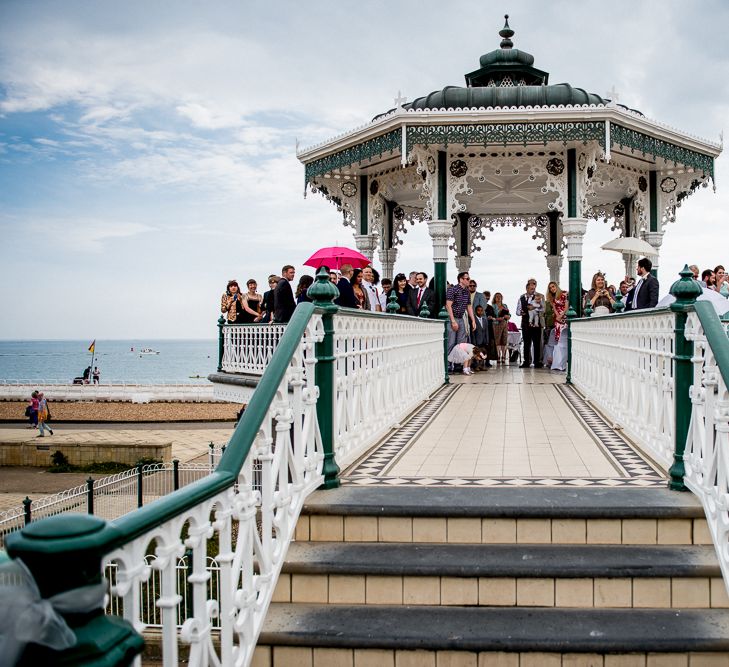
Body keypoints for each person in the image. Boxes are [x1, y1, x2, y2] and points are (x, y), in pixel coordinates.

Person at [446, 272, 476, 356]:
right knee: (451, 342)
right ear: (461, 279)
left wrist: (473, 320)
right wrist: (452, 321)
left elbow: (469, 306)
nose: (469, 281)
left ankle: (458, 364)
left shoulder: (467, 292)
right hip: (453, 318)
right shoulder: (452, 290)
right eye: (467, 279)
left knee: (461, 343)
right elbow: (448, 305)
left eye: (469, 278)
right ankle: (448, 365)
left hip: (461, 318)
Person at [516, 278, 544, 368]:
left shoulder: (540, 296)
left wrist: (534, 308)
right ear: (527, 288)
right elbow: (517, 311)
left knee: (537, 343)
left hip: (536, 322)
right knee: (526, 343)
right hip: (525, 323)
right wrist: (521, 312)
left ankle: (537, 362)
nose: (533, 289)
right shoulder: (521, 297)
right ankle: (526, 361)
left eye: (534, 287)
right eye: (531, 287)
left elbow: (543, 309)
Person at [548, 284, 569, 371]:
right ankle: (557, 363)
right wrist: (558, 316)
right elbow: (555, 309)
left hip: (565, 316)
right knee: (558, 340)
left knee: (564, 340)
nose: (552, 289)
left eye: (553, 286)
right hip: (558, 320)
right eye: (550, 288)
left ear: (556, 286)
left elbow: (567, 305)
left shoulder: (564, 294)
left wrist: (562, 314)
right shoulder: (552, 299)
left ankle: (563, 363)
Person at [491, 293, 510, 364]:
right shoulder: (493, 306)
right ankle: (498, 356)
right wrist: (497, 318)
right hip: (496, 324)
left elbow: (508, 314)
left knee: (504, 340)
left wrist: (508, 316)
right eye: (497, 297)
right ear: (494, 298)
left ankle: (503, 356)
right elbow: (492, 316)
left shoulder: (505, 306)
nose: (498, 298)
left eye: (500, 297)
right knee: (497, 340)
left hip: (504, 324)